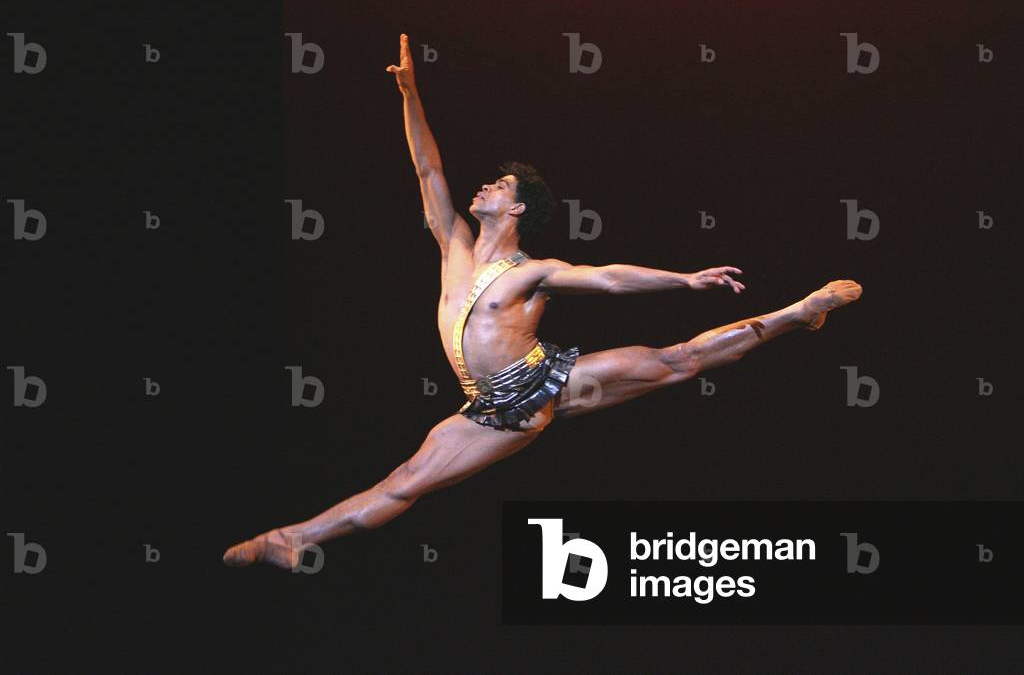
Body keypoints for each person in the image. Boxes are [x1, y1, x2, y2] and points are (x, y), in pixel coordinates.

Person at [223, 34, 861, 570]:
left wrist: (684, 279)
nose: (484, 186)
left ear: (518, 208)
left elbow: (608, 279)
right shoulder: (453, 246)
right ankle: (292, 539)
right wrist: (409, 93)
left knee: (677, 361)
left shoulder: (534, 271)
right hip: (492, 407)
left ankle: (796, 313)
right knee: (403, 483)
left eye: (498, 185)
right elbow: (427, 170)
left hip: (543, 382)